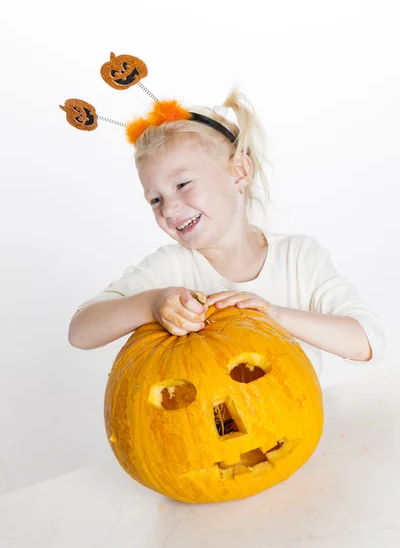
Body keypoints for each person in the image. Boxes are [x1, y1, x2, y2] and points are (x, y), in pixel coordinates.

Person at [68, 90, 385, 380]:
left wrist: (272, 315)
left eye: (182, 185)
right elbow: (81, 332)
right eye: (155, 199)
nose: (169, 208)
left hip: (295, 428)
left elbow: (368, 342)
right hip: (204, 429)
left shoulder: (299, 257)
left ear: (239, 172)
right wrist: (152, 304)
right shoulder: (168, 268)